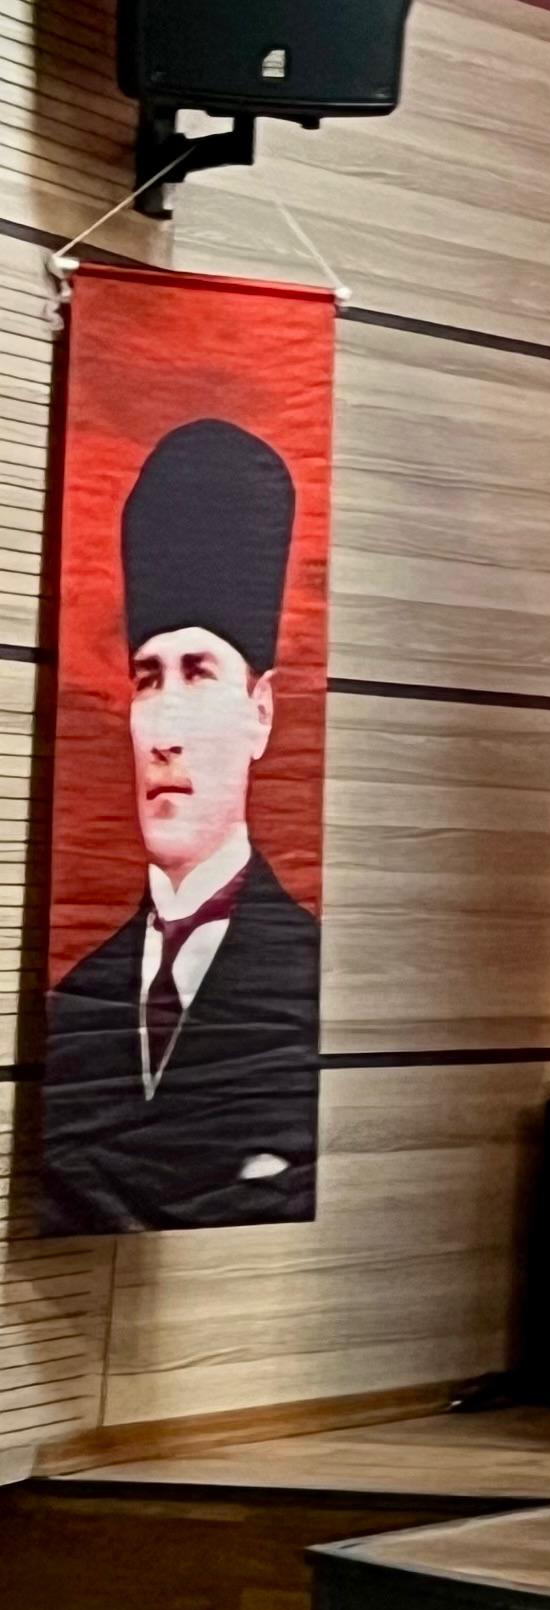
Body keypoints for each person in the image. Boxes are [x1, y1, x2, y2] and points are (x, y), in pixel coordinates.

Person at [40, 417, 321, 1232]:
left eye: (198, 673)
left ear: (260, 712)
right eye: (147, 678)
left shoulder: (306, 979)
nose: (163, 730)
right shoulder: (75, 1000)